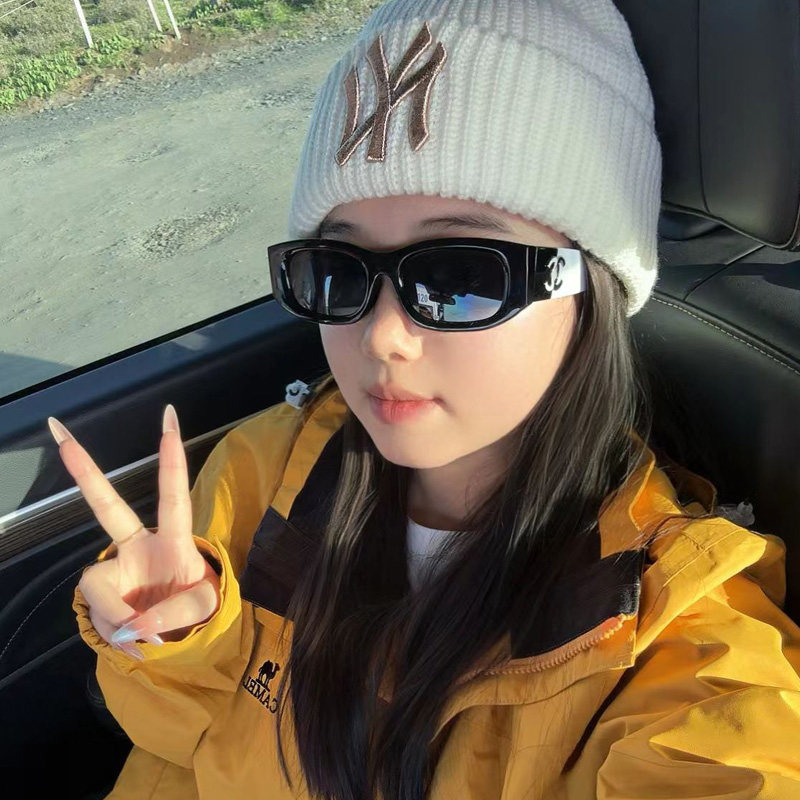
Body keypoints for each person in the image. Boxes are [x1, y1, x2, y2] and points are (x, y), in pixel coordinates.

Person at [56, 1, 800, 798]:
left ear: (592, 290)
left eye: (460, 275)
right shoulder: (259, 469)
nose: (382, 338)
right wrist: (178, 648)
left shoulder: (679, 636)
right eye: (337, 269)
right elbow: (173, 759)